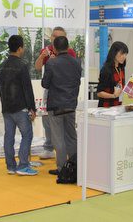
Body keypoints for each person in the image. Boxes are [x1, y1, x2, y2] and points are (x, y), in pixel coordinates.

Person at [0, 35, 38, 176]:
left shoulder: (1, 66)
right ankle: (23, 165)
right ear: (20, 48)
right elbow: (27, 89)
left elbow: (0, 89)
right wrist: (32, 108)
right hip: (20, 108)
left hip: (6, 108)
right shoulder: (22, 65)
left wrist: (4, 105)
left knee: (9, 136)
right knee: (27, 135)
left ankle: (10, 166)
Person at [34, 26, 77, 160]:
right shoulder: (46, 51)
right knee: (47, 121)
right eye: (53, 36)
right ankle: (49, 148)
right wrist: (42, 57)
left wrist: (54, 62)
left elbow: (69, 71)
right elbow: (37, 67)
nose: (55, 39)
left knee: (64, 131)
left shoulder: (70, 52)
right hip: (54, 93)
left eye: (59, 36)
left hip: (64, 93)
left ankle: (65, 163)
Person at [41, 36, 82, 175]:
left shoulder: (51, 63)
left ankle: (62, 168)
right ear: (68, 46)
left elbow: (45, 84)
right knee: (71, 136)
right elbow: (77, 82)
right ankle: (75, 167)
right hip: (71, 104)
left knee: (58, 138)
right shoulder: (76, 62)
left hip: (56, 106)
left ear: (54, 48)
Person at [96, 41, 128, 107]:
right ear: (114, 53)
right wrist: (113, 96)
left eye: (125, 54)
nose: (124, 57)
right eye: (122, 54)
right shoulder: (106, 70)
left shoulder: (121, 68)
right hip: (106, 107)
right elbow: (99, 93)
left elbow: (120, 85)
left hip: (117, 105)